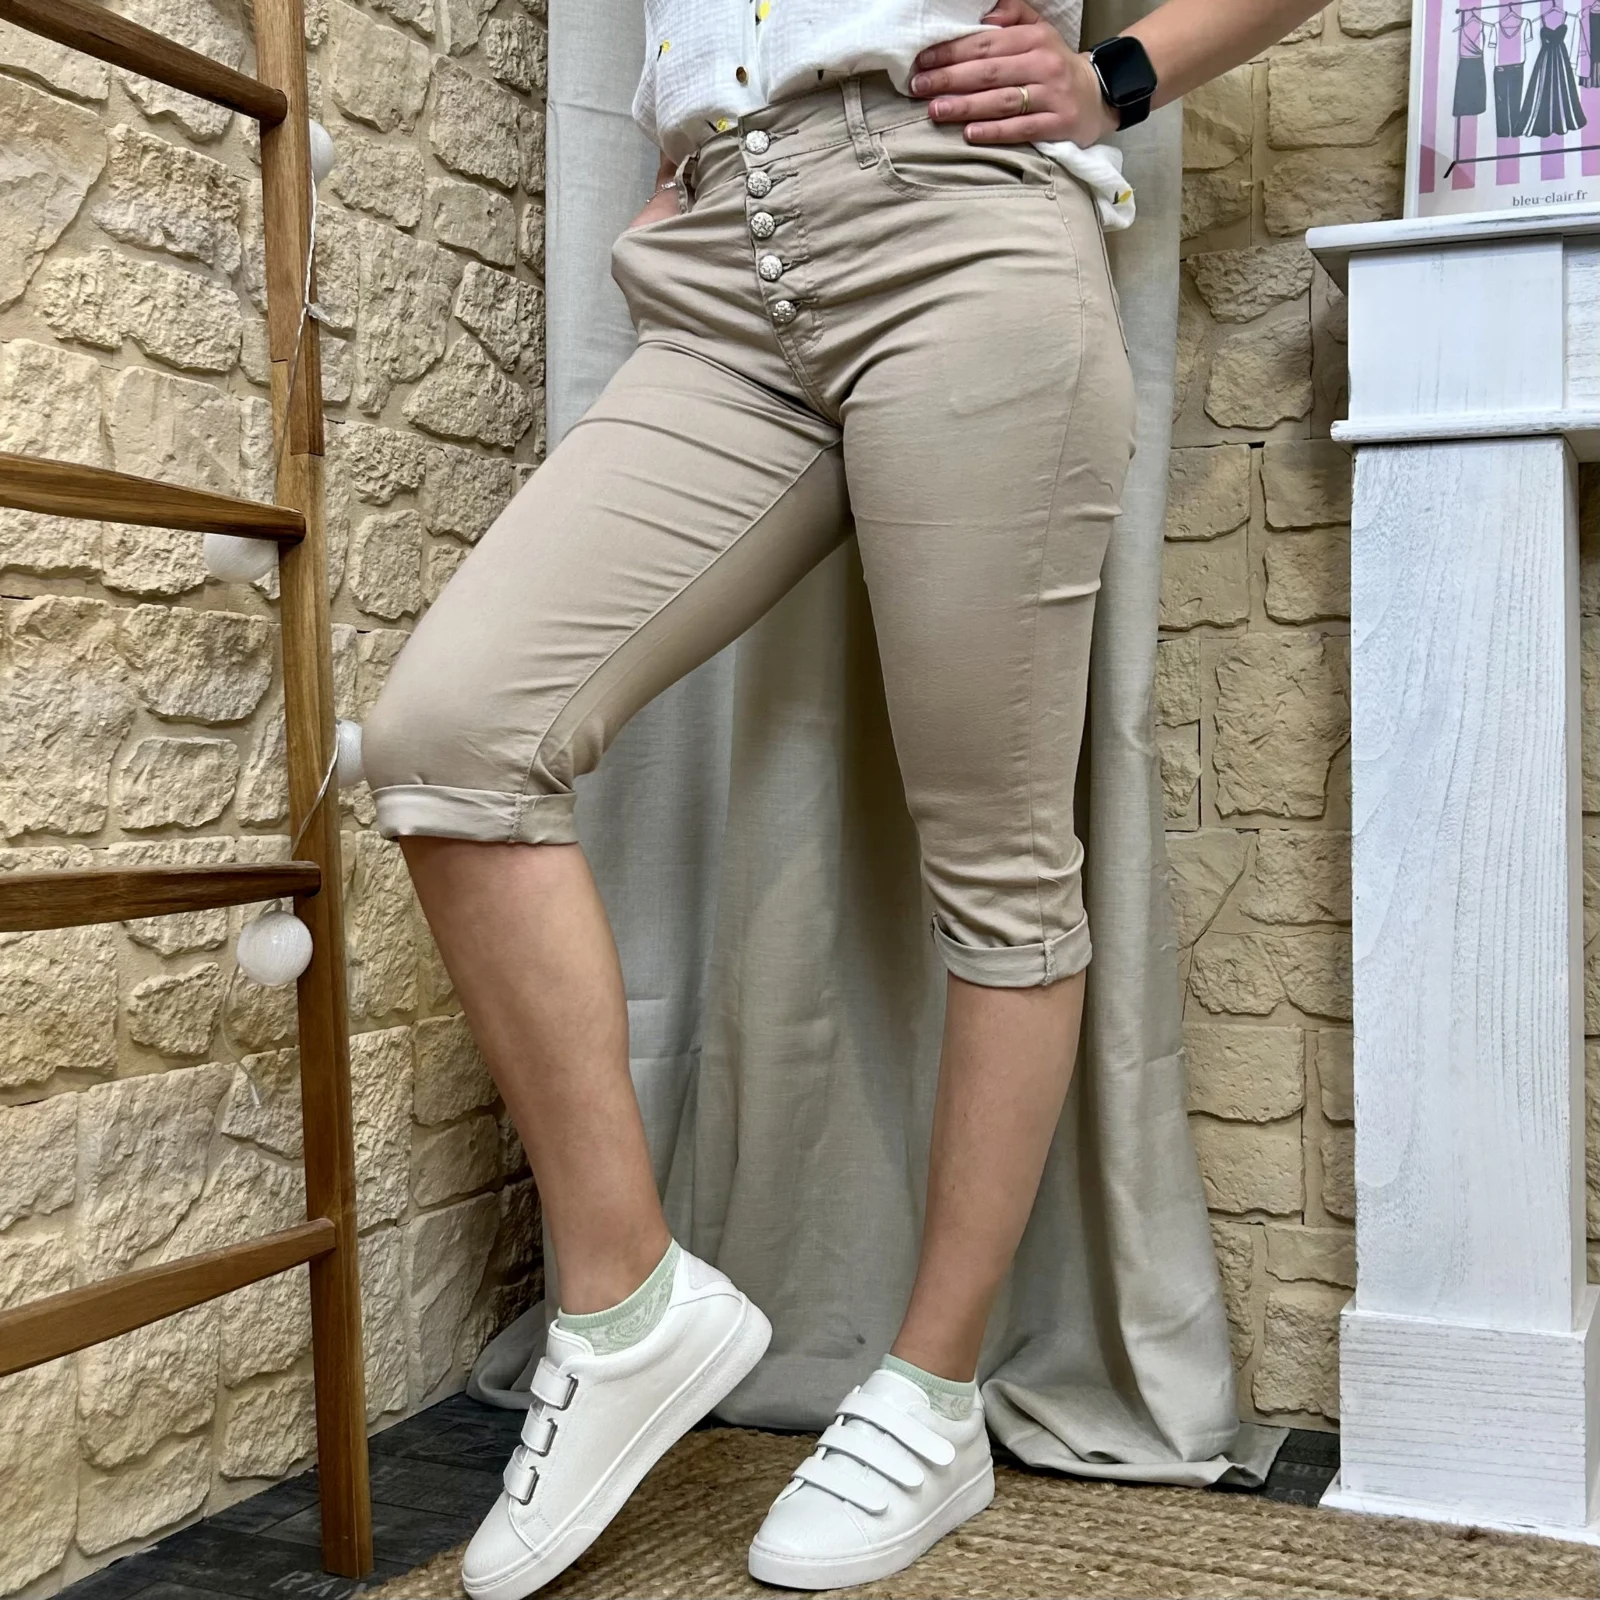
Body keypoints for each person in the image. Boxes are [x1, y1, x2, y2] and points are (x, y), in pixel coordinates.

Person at [361, 1, 1327, 1594]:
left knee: (999, 860)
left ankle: (932, 1395)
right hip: (719, 273)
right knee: (450, 738)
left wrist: (1117, 78)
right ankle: (626, 1302)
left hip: (960, 223)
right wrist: (677, 163)